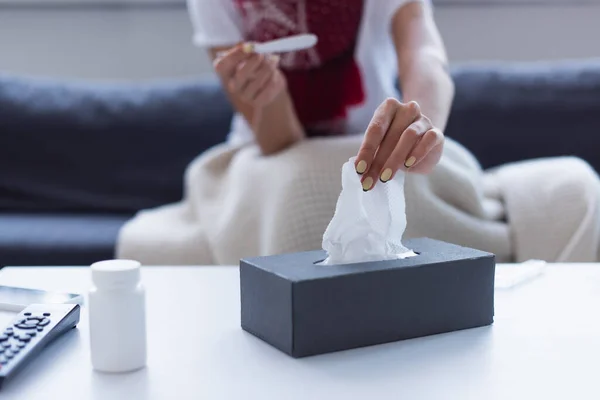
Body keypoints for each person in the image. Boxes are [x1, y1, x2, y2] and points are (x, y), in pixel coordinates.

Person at [187, 0, 451, 190]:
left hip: (372, 149)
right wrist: (271, 98)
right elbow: (278, 147)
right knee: (297, 194)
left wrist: (422, 129)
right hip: (265, 159)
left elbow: (422, 55)